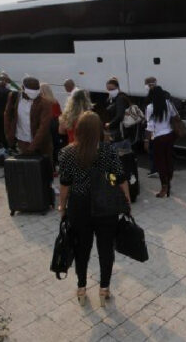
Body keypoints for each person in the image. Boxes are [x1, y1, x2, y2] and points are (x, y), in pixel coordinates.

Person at [57, 111, 131, 306]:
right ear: (99, 130)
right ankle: (104, 289)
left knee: (81, 248)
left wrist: (61, 206)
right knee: (106, 248)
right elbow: (121, 179)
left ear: (78, 130)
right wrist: (127, 201)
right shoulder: (108, 151)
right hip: (105, 205)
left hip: (79, 205)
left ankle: (81, 288)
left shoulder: (67, 153)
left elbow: (64, 184)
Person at [4, 76, 54, 161]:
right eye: (30, 92)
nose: (33, 95)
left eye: (36, 92)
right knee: (26, 169)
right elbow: (7, 115)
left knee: (44, 168)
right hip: (22, 141)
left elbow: (44, 127)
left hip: (42, 142)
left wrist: (32, 146)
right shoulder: (14, 97)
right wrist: (9, 135)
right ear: (22, 88)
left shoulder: (45, 103)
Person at [144, 86, 178, 198]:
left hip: (158, 138)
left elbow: (149, 126)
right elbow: (175, 116)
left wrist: (146, 141)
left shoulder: (150, 107)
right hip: (170, 135)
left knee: (160, 163)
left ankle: (164, 187)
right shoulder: (168, 104)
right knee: (169, 160)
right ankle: (168, 183)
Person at [104, 77, 129, 142]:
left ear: (117, 88)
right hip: (116, 128)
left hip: (119, 129)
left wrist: (110, 124)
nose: (110, 91)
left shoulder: (120, 98)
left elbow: (120, 115)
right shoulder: (112, 98)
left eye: (112, 89)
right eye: (108, 89)